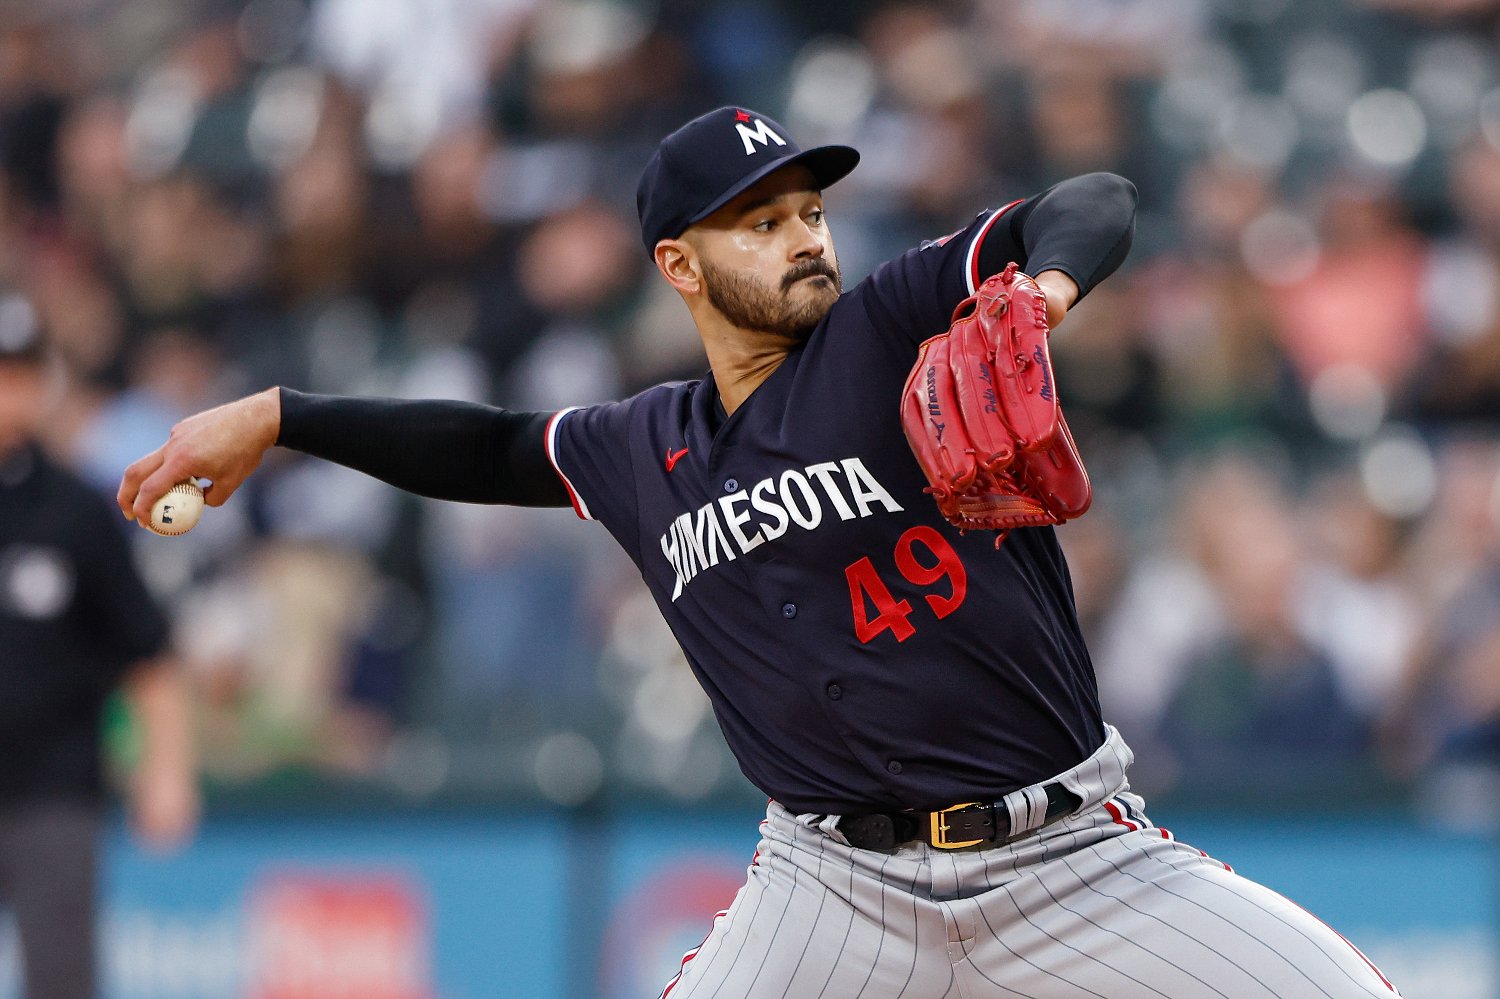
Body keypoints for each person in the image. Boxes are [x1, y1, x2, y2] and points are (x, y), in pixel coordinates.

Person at [118, 108, 1399, 998]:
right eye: (758, 221)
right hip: (833, 890)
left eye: (808, 209)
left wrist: (1040, 295)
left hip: (1071, 860)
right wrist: (282, 416)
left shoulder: (888, 330)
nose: (803, 237)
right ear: (678, 264)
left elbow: (1091, 202)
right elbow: (491, 448)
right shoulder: (644, 445)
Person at [0, 302, 199, 999]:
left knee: (61, 982)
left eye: (18, 373)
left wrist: (166, 769)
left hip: (52, 789)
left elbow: (147, 647)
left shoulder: (75, 510)